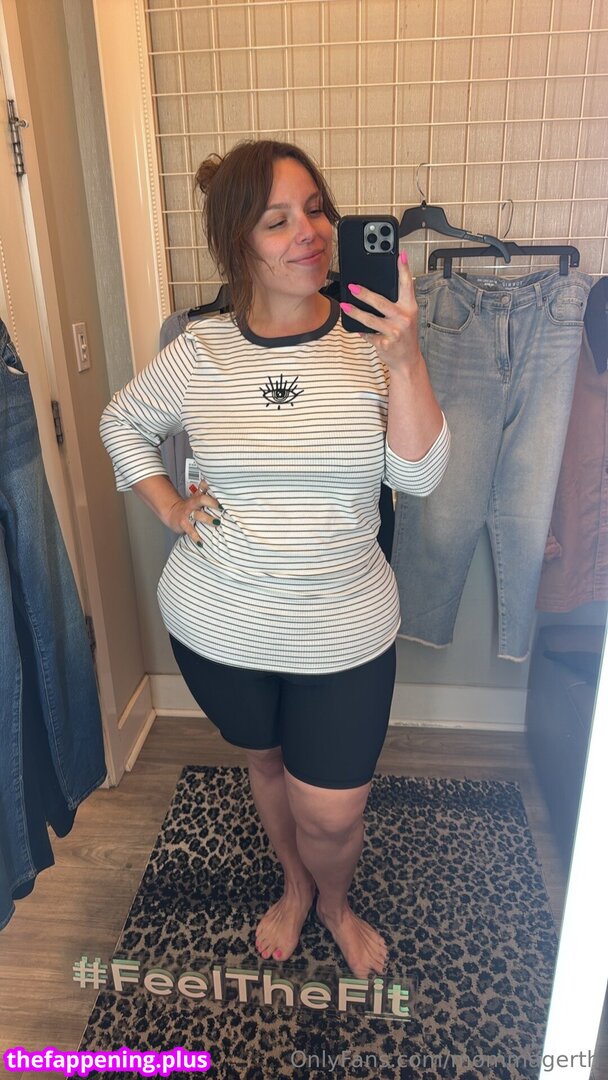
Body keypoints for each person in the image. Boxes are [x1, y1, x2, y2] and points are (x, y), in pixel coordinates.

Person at [100, 139, 450, 979]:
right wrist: (172, 507)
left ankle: (333, 901)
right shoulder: (199, 351)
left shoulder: (372, 343)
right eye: (278, 220)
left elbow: (419, 477)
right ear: (238, 243)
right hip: (221, 623)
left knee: (332, 813)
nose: (311, 233)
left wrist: (406, 360)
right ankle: (296, 886)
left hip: (344, 632)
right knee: (266, 761)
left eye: (317, 210)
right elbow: (122, 422)